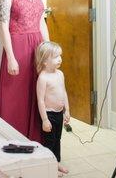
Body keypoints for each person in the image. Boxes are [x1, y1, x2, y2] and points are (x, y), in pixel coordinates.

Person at [0, 0, 49, 142]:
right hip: (18, 48)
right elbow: (3, 27)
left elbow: (41, 21)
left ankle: (40, 148)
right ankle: (14, 148)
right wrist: (10, 57)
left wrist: (48, 49)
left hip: (38, 47)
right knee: (16, 99)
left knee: (39, 97)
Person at [35, 41, 70, 177]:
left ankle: (56, 162)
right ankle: (49, 166)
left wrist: (67, 110)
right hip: (49, 114)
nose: (60, 59)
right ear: (44, 61)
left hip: (59, 113)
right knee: (50, 142)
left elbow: (64, 92)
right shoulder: (43, 78)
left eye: (60, 56)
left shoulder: (60, 74)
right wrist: (44, 120)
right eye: (56, 57)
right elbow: (40, 100)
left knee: (57, 140)